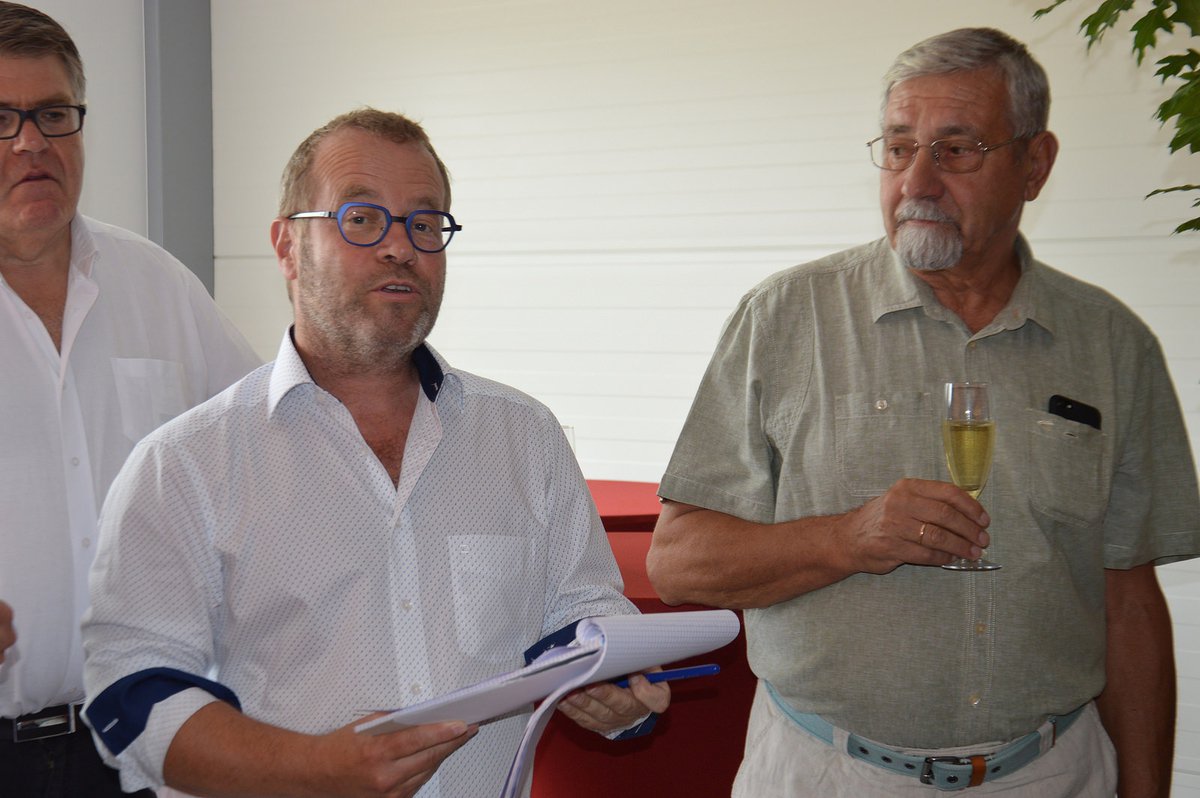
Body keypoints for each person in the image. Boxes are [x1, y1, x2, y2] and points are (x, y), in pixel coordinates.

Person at [647, 26, 1200, 798]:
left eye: (957, 150)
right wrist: (846, 538)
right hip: (827, 774)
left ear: (1035, 164)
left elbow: (1130, 604)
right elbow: (676, 562)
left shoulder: (1113, 344)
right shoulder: (786, 318)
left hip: (1050, 773)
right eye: (900, 147)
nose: (917, 182)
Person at [81, 107, 669, 798]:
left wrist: (613, 678)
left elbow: (582, 610)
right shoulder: (185, 464)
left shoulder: (525, 436)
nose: (400, 247)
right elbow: (134, 695)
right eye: (361, 218)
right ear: (287, 247)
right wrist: (312, 770)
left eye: (425, 223)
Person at [0, 3, 260, 796]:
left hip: (143, 748)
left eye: (53, 114)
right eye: (1, 119)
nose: (32, 142)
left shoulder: (157, 284)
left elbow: (275, 452)